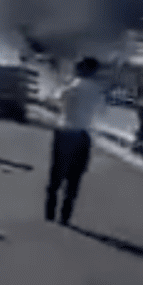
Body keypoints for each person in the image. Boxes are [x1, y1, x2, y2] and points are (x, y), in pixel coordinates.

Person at [45, 56, 103, 226]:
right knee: (74, 179)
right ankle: (65, 217)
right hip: (83, 136)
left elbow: (53, 102)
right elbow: (100, 112)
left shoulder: (72, 87)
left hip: (65, 133)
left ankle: (50, 214)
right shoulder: (97, 90)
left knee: (56, 176)